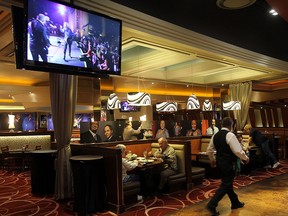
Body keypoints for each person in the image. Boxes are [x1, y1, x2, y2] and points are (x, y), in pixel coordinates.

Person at [206, 117, 250, 215]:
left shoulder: (215, 135)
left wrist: (212, 160)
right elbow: (238, 151)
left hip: (219, 163)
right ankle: (212, 204)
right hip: (228, 164)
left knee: (227, 183)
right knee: (226, 184)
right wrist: (246, 158)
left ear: (222, 125)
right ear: (231, 125)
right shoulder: (230, 135)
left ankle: (235, 202)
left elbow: (209, 150)